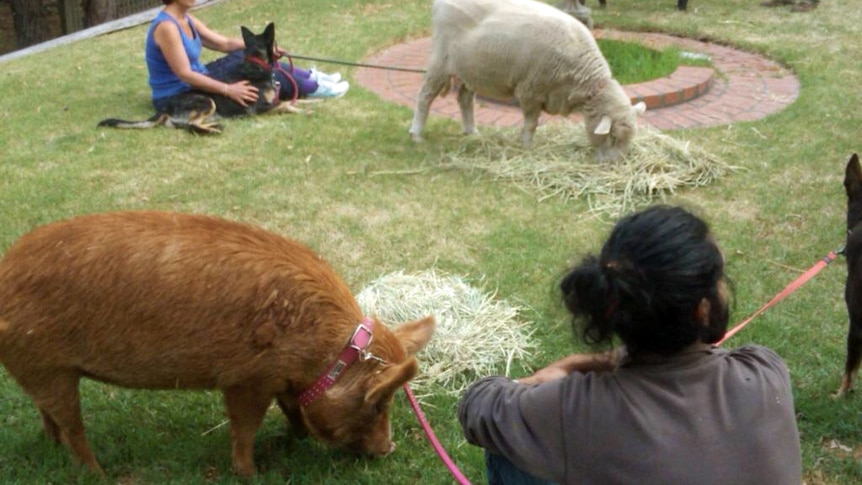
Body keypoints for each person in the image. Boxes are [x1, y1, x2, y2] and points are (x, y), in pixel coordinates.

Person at [458, 205, 802, 485]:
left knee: (508, 447)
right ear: (702, 308)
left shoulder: (575, 408)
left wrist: (562, 370)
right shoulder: (765, 372)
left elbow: (476, 408)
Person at [147, 0, 349, 113]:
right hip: (178, 94)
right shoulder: (167, 27)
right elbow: (185, 74)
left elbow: (223, 44)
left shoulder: (185, 18)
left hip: (200, 78)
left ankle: (311, 78)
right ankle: (315, 89)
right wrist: (228, 89)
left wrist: (263, 48)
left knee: (253, 58)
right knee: (257, 69)